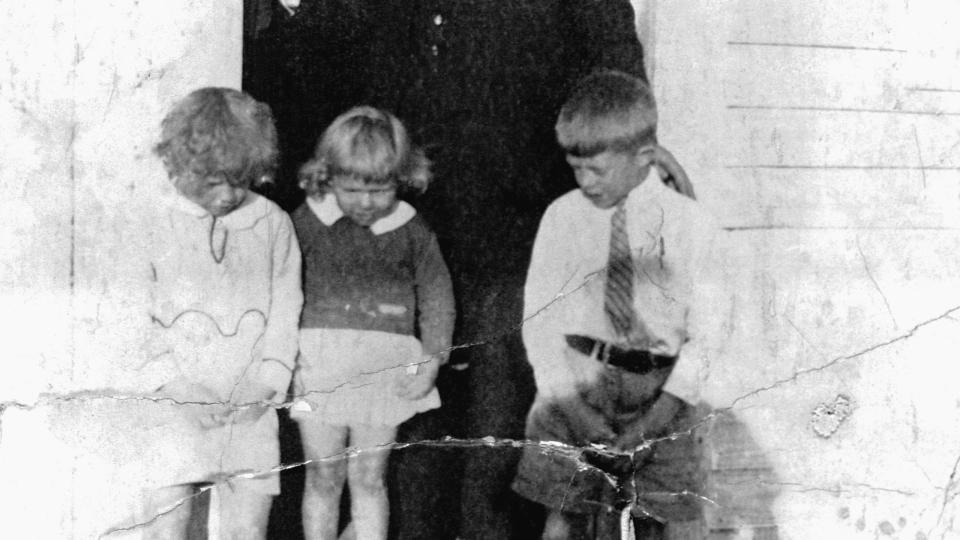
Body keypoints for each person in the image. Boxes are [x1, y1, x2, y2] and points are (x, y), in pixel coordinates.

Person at [250, 2, 692, 537]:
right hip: (403, 210)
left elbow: (612, 57)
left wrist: (630, 149)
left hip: (518, 215)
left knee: (498, 413)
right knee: (409, 419)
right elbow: (318, 47)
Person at [513, 70, 721, 539]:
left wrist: (658, 419)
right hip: (575, 385)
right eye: (575, 168)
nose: (584, 181)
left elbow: (708, 335)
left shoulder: (692, 226)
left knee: (674, 519)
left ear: (644, 157)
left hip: (664, 393)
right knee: (563, 515)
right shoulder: (562, 217)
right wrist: (572, 406)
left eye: (597, 169)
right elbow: (539, 323)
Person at [141, 87, 303, 538]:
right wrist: (174, 385)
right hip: (171, 407)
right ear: (179, 165)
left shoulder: (273, 224)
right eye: (214, 181)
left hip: (249, 408)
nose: (230, 194)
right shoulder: (151, 221)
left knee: (246, 531)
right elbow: (131, 318)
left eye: (242, 180)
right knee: (165, 528)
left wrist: (268, 382)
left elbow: (287, 310)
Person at [289, 106, 456, 540]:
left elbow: (437, 299)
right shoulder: (304, 223)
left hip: (386, 366)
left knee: (369, 478)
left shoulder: (412, 230)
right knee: (323, 476)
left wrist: (432, 360)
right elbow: (280, 289)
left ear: (399, 179)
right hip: (318, 364)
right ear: (327, 177)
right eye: (353, 189)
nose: (367, 202)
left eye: (380, 189)